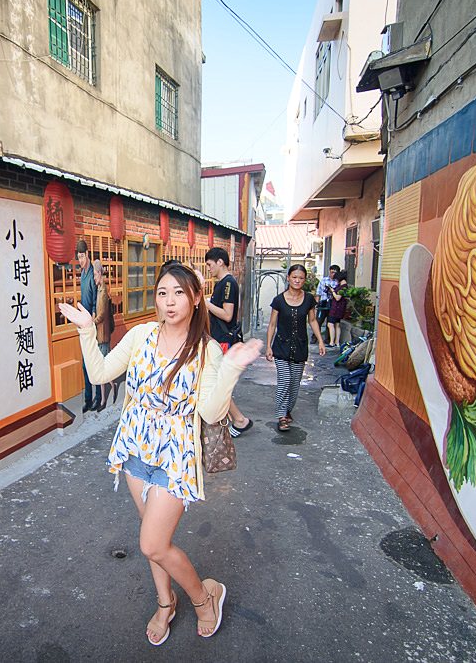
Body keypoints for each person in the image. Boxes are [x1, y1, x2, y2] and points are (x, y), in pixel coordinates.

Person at [58, 263, 263, 644]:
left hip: (176, 458)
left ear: (197, 297)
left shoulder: (204, 351)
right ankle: (165, 603)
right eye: (163, 293)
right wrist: (88, 331)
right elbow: (101, 373)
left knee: (152, 543)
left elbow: (211, 413)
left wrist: (231, 368)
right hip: (135, 448)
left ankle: (204, 597)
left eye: (179, 293)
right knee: (155, 539)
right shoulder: (141, 336)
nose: (169, 301)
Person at [265, 265, 326, 432]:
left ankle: (288, 410)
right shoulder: (278, 300)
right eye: (294, 277)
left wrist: (320, 341)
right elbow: (272, 325)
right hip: (281, 346)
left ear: (304, 280)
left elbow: (312, 321)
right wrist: (268, 346)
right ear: (288, 278)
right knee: (285, 380)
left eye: (301, 278)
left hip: (299, 346)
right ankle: (281, 416)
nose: (297, 280)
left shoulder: (308, 300)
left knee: (294, 383)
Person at [203, 247, 253, 438]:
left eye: (209, 264)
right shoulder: (222, 283)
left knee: (219, 383)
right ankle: (235, 419)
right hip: (218, 339)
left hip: (224, 340)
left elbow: (227, 314)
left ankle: (239, 420)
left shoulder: (228, 284)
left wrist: (205, 302)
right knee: (218, 382)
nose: (208, 268)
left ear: (220, 262)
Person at [92, 259, 120, 409]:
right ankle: (108, 390)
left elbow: (102, 315)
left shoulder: (103, 292)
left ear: (99, 274)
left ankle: (104, 398)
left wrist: (92, 322)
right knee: (101, 366)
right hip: (100, 334)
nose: (94, 278)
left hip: (102, 335)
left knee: (101, 367)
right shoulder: (100, 289)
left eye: (95, 275)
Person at [76, 240, 101, 412]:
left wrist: (92, 317)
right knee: (85, 364)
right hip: (83, 324)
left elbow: (95, 302)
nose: (80, 260)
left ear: (88, 255)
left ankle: (98, 398)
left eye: (82, 257)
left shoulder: (92, 273)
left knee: (94, 363)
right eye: (78, 257)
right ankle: (88, 399)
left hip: (92, 323)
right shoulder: (82, 274)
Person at [316, 264, 340, 345]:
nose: (332, 274)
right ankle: (315, 337)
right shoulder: (323, 280)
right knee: (318, 321)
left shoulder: (338, 282)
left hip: (333, 304)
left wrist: (331, 290)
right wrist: (317, 303)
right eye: (331, 272)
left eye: (334, 273)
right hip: (323, 302)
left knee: (329, 323)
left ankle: (327, 339)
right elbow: (318, 292)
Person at [327, 271, 349, 349]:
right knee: (337, 324)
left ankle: (332, 342)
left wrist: (332, 290)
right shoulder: (343, 285)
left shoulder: (343, 287)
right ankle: (337, 342)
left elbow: (337, 297)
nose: (335, 281)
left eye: (336, 279)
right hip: (340, 308)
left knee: (330, 324)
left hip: (336, 308)